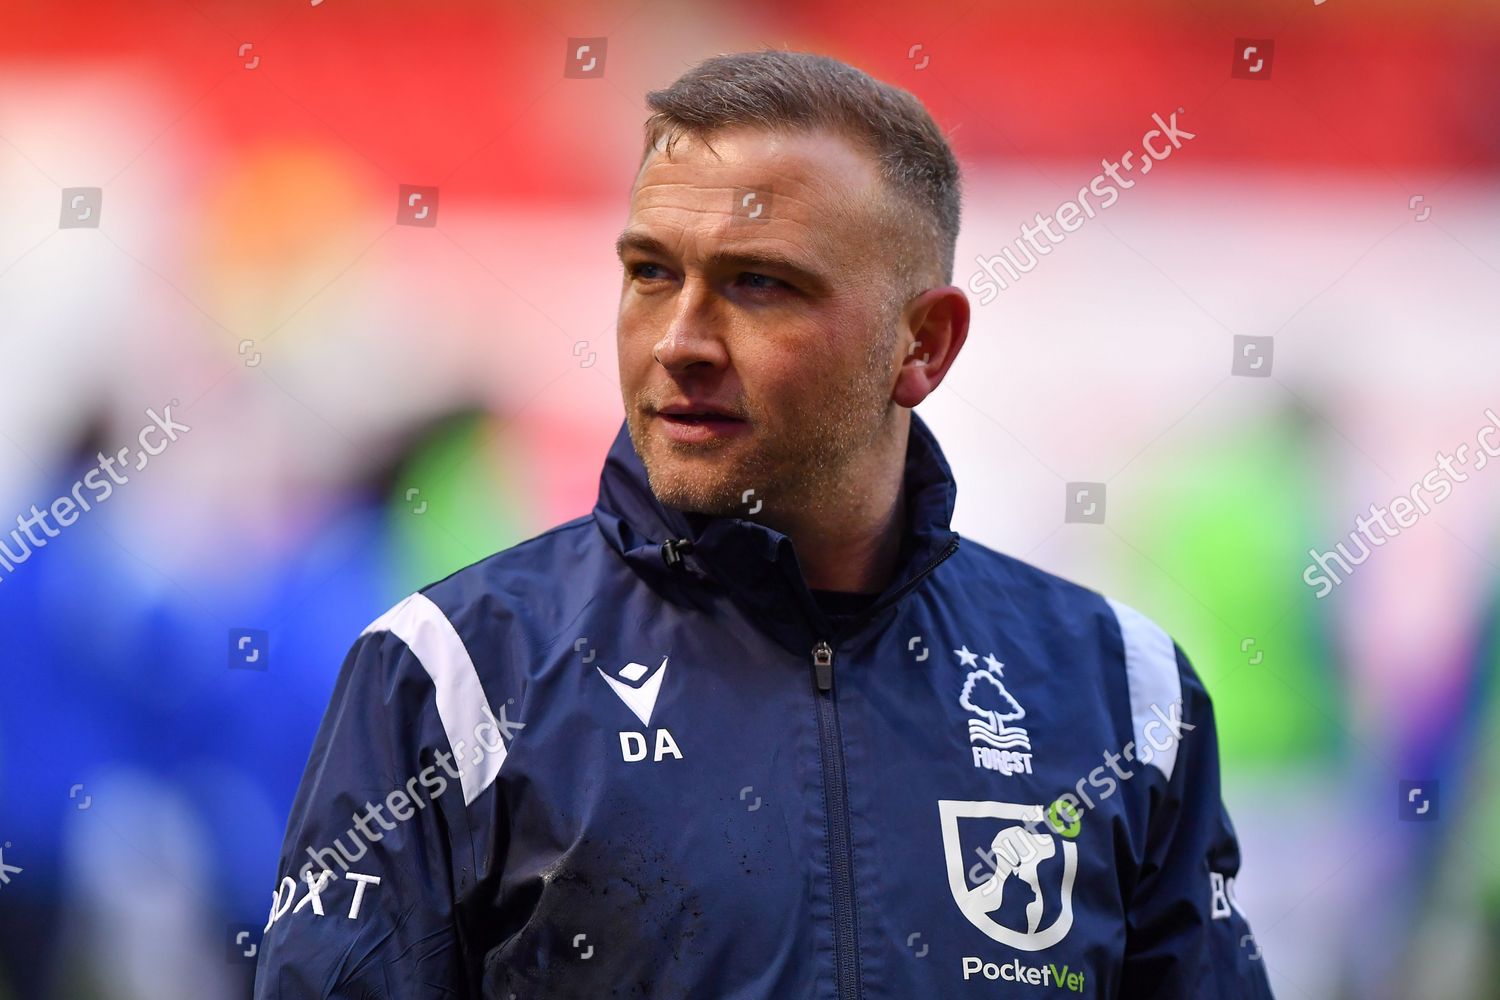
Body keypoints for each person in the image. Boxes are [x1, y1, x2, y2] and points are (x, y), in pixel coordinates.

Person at [254, 48, 1275, 999]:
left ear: (923, 343)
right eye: (651, 272)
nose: (681, 342)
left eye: (759, 284)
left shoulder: (1120, 693)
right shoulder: (454, 675)